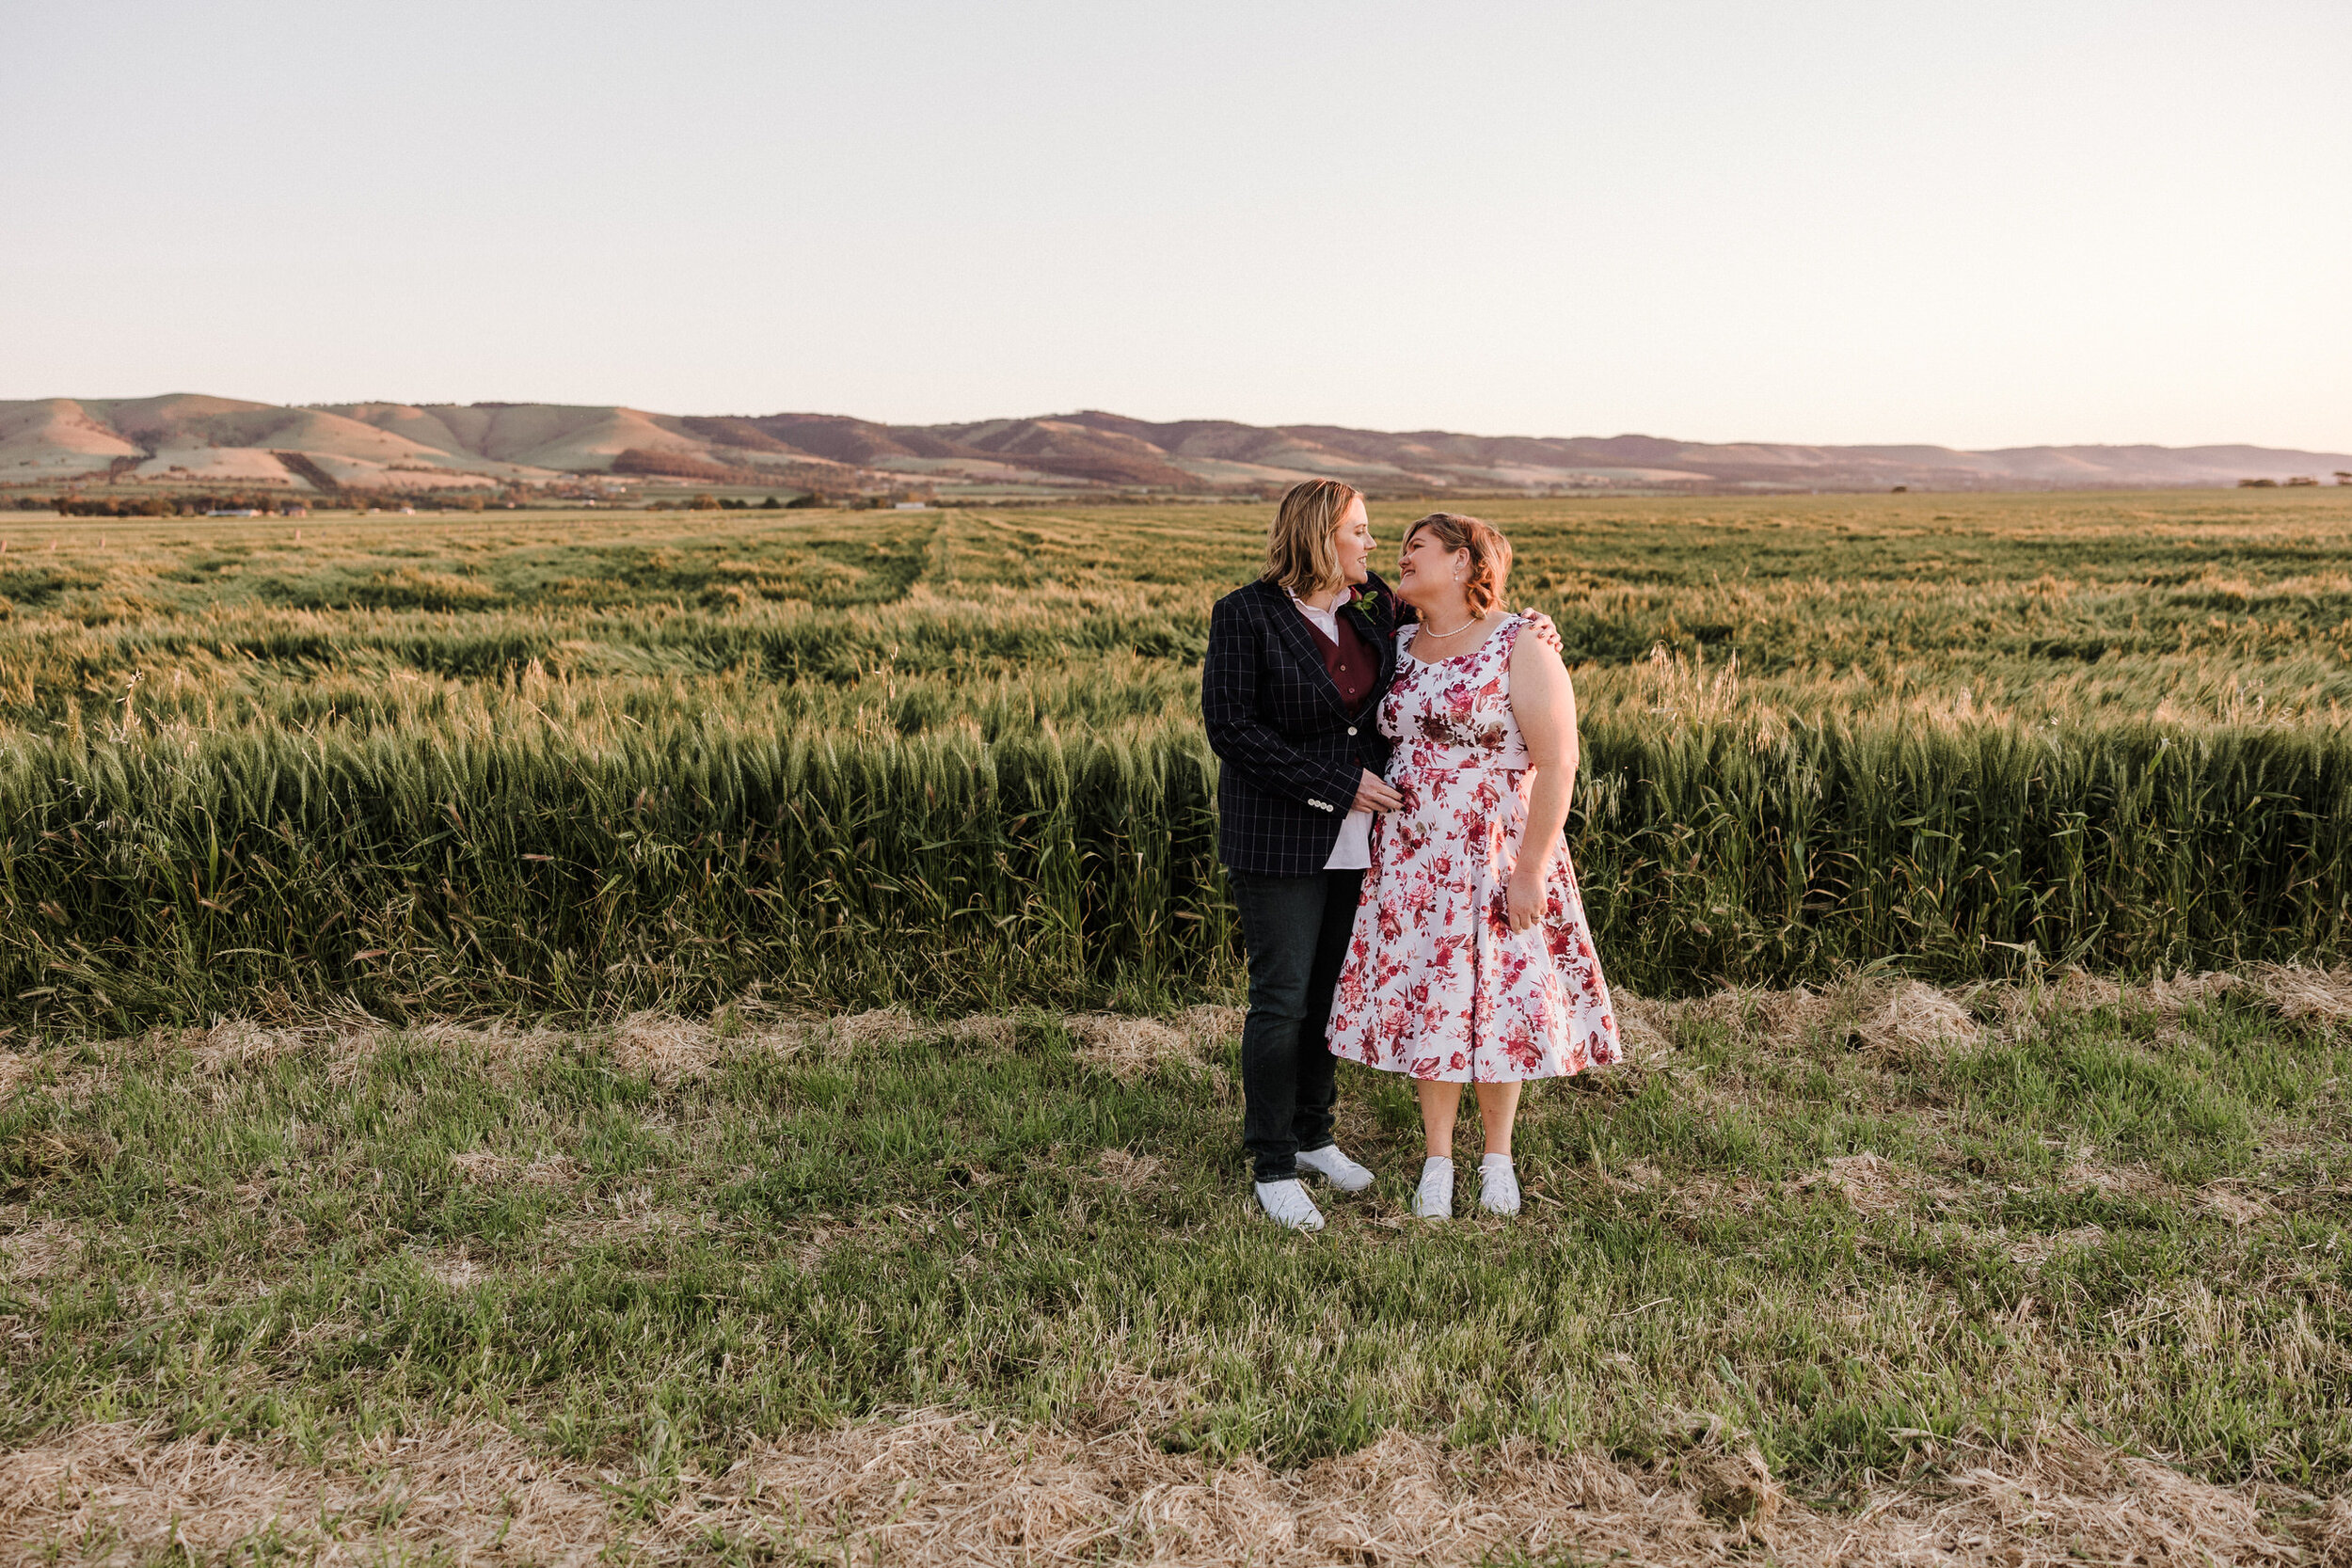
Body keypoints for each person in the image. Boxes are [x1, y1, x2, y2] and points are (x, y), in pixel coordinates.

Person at [1327, 512, 1621, 1221]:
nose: (1399, 555)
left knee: (1499, 1005)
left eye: (1416, 547)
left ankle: (1497, 1157)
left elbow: (1559, 760)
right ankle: (1437, 1159)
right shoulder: (1395, 639)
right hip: (1412, 856)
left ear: (1463, 563)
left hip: (1495, 851)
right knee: (1436, 1000)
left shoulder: (1522, 643)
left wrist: (1529, 870)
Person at [1201, 479, 1403, 1230]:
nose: (1372, 544)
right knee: (1282, 999)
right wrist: (1336, 783)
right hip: (1281, 836)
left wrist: (1530, 629)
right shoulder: (1245, 615)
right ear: (1322, 536)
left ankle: (1316, 1134)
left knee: (1330, 996)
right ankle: (1273, 1161)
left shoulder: (1375, 606)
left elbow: (1464, 619)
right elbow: (1233, 729)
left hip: (1361, 840)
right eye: (1360, 529)